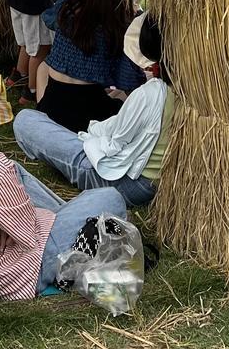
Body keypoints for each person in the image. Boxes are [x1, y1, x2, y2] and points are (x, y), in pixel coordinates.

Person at [0, 39, 127, 299]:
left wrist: (7, 219)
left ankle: (67, 216)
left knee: (14, 168)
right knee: (110, 198)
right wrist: (17, 218)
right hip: (18, 271)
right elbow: (28, 234)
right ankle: (71, 223)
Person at [14, 13, 173, 209]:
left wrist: (91, 133)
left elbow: (116, 140)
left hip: (128, 181)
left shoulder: (151, 93)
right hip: (151, 179)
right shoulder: (190, 92)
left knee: (25, 120)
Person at [35, 0, 131, 132]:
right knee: (127, 96)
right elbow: (127, 80)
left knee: (44, 67)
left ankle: (42, 112)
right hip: (89, 119)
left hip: (52, 106)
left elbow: (50, 20)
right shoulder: (119, 21)